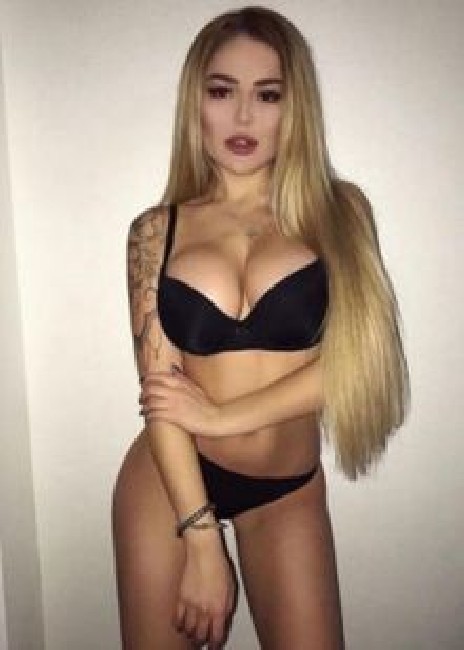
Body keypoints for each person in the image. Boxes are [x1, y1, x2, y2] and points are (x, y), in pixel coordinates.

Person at [112, 6, 409, 649]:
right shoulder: (154, 232)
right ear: (196, 103)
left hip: (286, 491)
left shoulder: (340, 212)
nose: (243, 116)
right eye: (222, 91)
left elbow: (360, 363)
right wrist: (200, 539)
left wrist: (222, 416)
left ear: (294, 108)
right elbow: (161, 396)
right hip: (171, 480)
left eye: (267, 95)